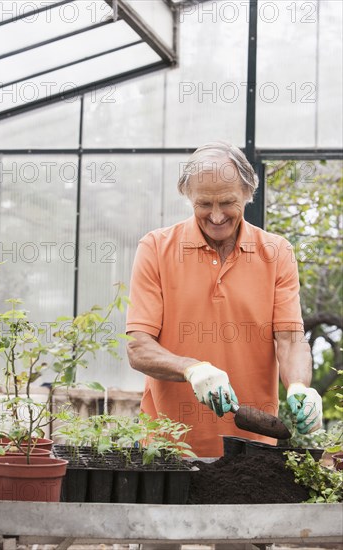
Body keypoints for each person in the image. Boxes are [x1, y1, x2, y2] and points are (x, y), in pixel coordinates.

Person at [126, 141, 323, 458]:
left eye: (228, 203)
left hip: (252, 450)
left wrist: (300, 385)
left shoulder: (276, 253)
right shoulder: (156, 248)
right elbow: (139, 348)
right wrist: (191, 369)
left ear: (248, 193)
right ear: (188, 196)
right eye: (204, 204)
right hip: (167, 449)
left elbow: (289, 339)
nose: (216, 216)